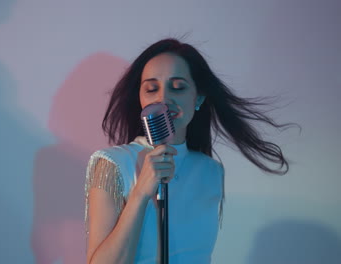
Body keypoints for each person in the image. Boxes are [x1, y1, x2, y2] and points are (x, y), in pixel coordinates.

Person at [84, 38, 292, 263]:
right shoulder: (113, 163)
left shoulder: (211, 171)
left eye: (178, 87)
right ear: (141, 99)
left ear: (199, 97)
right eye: (152, 89)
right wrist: (140, 194)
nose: (163, 99)